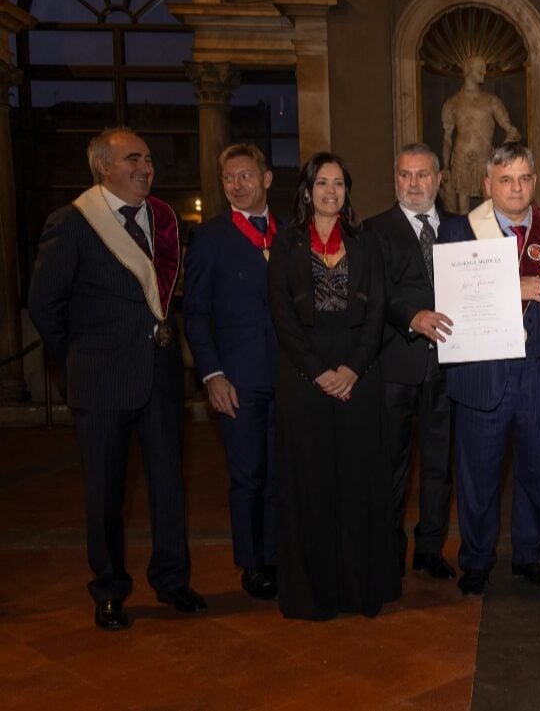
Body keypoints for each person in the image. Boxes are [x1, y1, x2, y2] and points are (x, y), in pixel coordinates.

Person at [28, 127, 206, 631]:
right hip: (102, 382)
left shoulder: (164, 220)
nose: (146, 167)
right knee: (106, 493)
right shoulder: (74, 222)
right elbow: (45, 305)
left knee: (170, 485)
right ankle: (109, 589)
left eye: (148, 159)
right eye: (134, 159)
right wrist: (80, 360)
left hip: (161, 376)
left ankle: (172, 579)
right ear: (104, 167)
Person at [267, 152, 400, 619]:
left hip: (358, 376)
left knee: (357, 484)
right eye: (322, 183)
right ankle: (313, 593)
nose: (330, 192)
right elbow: (282, 317)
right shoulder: (285, 244)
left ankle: (357, 589)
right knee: (311, 486)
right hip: (303, 378)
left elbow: (379, 310)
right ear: (307, 191)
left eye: (339, 184)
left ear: (347, 191)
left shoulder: (367, 243)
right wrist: (318, 372)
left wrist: (352, 370)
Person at [439, 143, 540, 597]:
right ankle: (476, 559)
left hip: (537, 371)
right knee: (478, 475)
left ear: (534, 182)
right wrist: (515, 285)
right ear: (488, 184)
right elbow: (451, 294)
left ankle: (530, 554)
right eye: (506, 179)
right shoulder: (457, 231)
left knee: (539, 469)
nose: (516, 187)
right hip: (481, 372)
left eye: (525, 178)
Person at [183, 143, 281, 600]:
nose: (237, 185)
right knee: (249, 475)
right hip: (238, 380)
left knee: (284, 471)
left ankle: (281, 554)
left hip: (290, 378)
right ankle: (253, 563)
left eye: (245, 176)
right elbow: (196, 313)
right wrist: (212, 374)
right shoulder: (211, 238)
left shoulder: (290, 234)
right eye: (228, 179)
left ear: (266, 179)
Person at [364, 144, 456, 581]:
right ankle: (386, 550)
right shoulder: (372, 230)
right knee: (390, 466)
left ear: (440, 179)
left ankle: (430, 549)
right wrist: (410, 318)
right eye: (405, 175)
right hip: (395, 365)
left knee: (441, 462)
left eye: (422, 175)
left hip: (450, 364)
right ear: (395, 179)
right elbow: (373, 294)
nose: (414, 184)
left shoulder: (459, 229)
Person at [441, 55, 521, 214]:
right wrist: (445, 167)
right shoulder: (452, 103)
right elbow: (447, 138)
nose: (484, 71)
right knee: (461, 211)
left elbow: (513, 132)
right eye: (480, 68)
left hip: (485, 160)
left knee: (489, 208)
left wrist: (498, 155)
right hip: (461, 159)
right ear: (468, 70)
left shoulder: (491, 101)